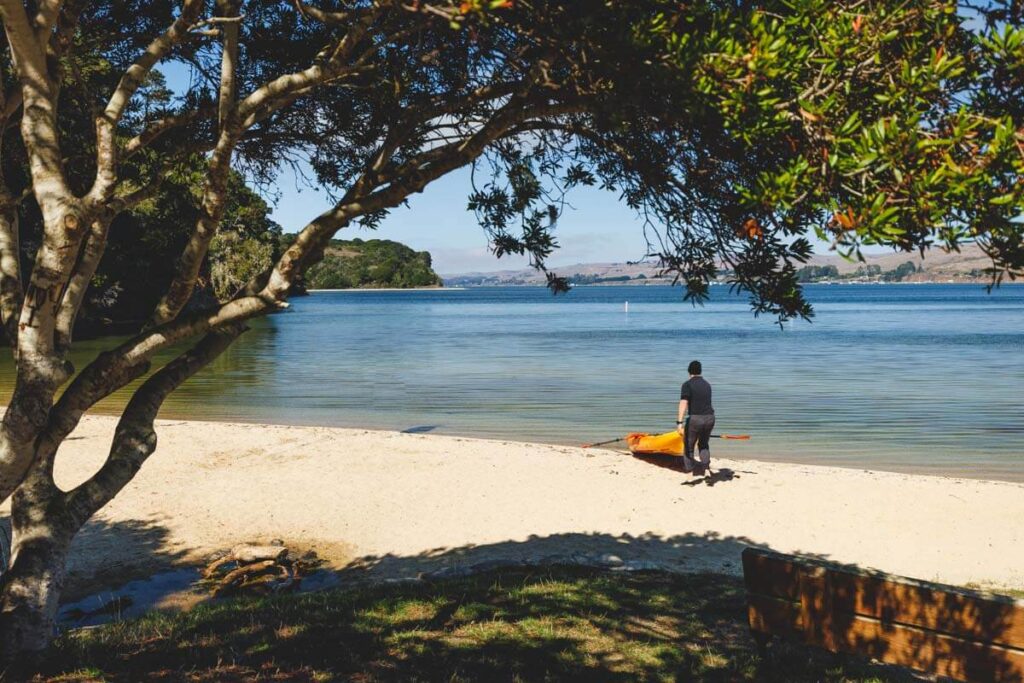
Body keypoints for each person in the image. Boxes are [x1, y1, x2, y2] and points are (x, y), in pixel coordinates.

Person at [677, 360, 715, 472]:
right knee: (703, 444)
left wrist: (679, 423)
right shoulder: (707, 385)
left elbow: (683, 403)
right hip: (710, 418)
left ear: (689, 371)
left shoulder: (687, 384)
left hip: (695, 419)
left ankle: (689, 471)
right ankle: (706, 468)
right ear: (700, 371)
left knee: (689, 447)